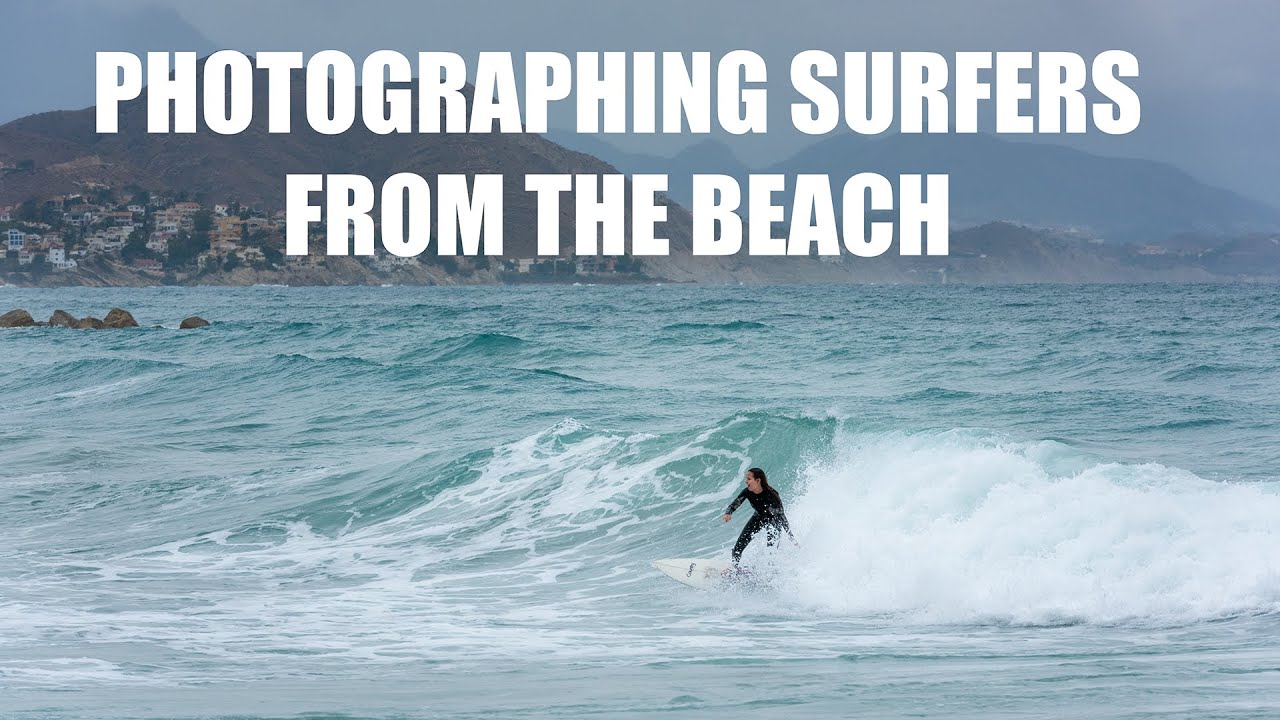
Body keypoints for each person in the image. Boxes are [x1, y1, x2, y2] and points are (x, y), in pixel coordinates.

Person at [722, 467, 794, 565]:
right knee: (738, 548)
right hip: (758, 518)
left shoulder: (772, 495)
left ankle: (771, 570)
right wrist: (728, 513)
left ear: (758, 480)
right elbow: (735, 504)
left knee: (771, 551)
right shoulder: (747, 492)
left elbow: (781, 516)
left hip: (774, 521)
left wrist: (790, 536)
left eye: (749, 479)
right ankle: (734, 568)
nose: (746, 481)